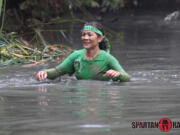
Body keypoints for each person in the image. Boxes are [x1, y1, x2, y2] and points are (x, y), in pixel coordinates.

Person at [36, 21, 130, 82]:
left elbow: (127, 77)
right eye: (83, 35)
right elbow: (57, 72)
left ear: (100, 38)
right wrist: (44, 72)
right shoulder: (76, 56)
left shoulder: (107, 58)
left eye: (89, 35)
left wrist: (118, 75)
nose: (85, 38)